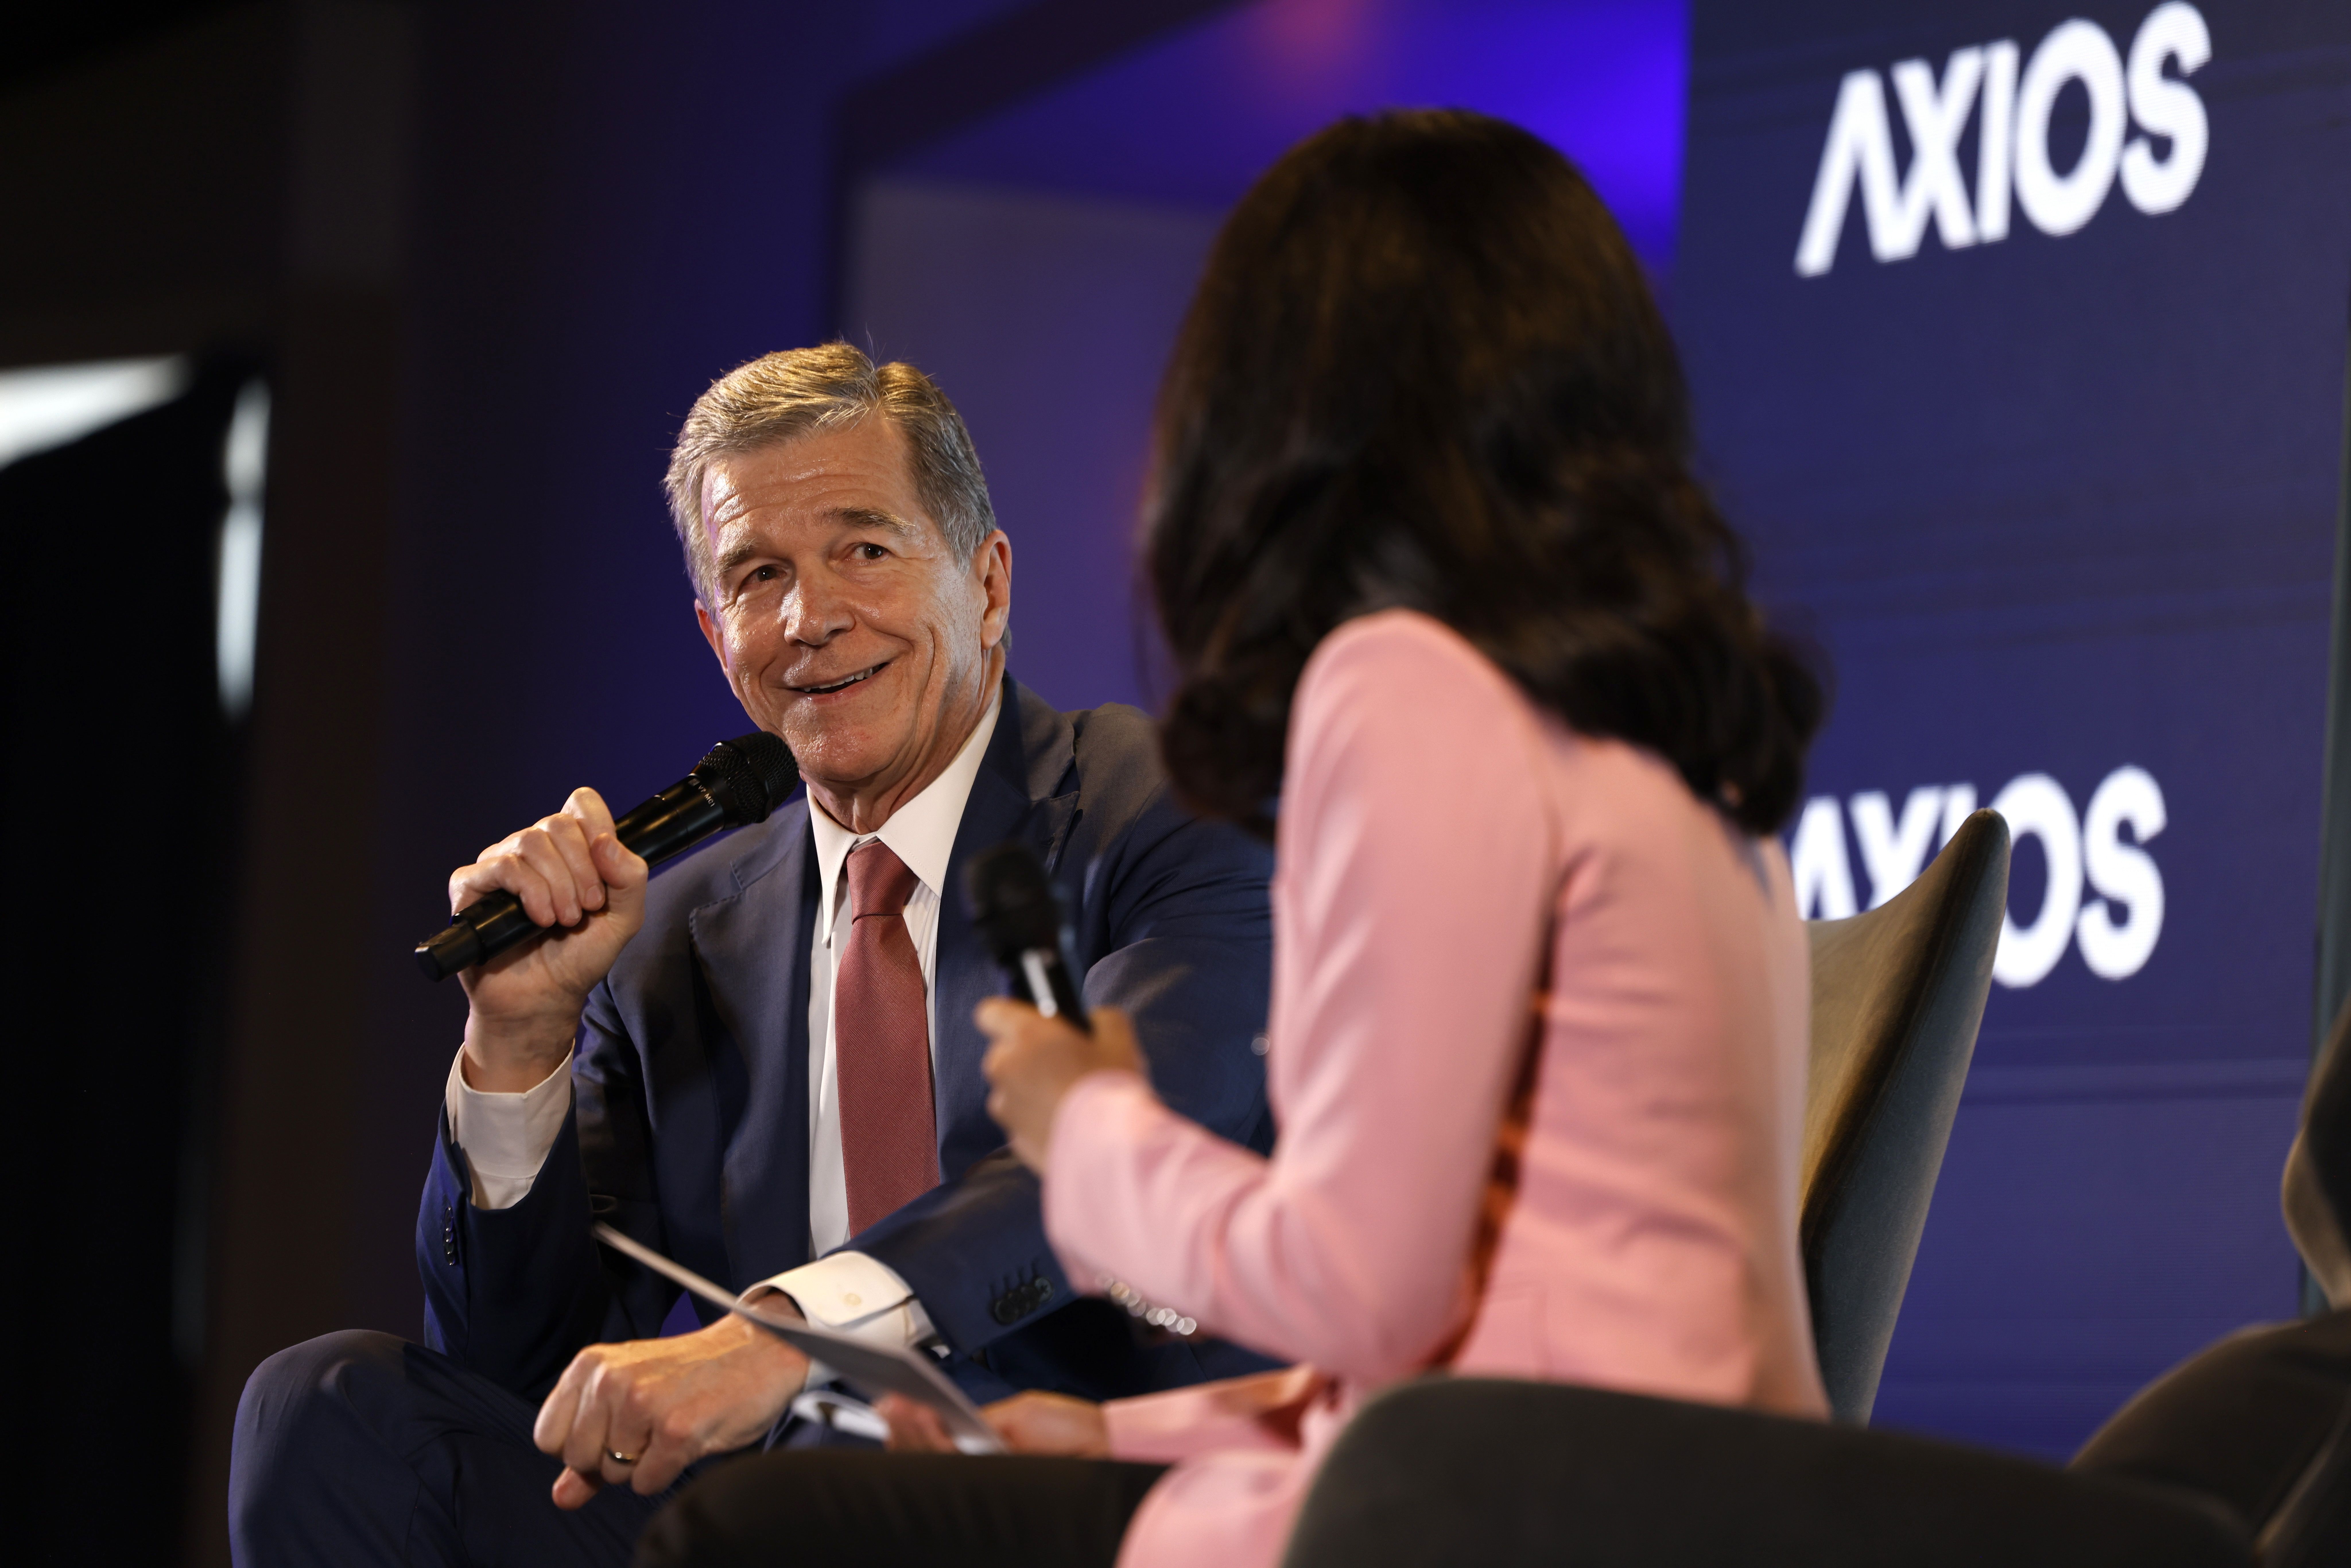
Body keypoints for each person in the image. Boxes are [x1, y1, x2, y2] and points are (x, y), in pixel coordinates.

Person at [639, 108, 1833, 1568]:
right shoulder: (1668, 735)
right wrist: (1120, 1433)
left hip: (1485, 1515)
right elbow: (1473, 1323)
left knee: (761, 1532)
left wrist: (1087, 1131)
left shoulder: (1402, 687)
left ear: (1272, 407)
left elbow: (1357, 1286)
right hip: (1668, 1501)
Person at [228, 345, 1278, 1567]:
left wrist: (787, 1334)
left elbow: (1117, 1152)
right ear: (713, 634)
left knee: (832, 1451)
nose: (808, 617)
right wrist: (517, 1044)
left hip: (1108, 1498)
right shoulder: (671, 940)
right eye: (757, 575)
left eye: (864, 551)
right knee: (330, 1408)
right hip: (782, 1514)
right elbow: (514, 1382)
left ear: (986, 585)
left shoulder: (1163, 812)